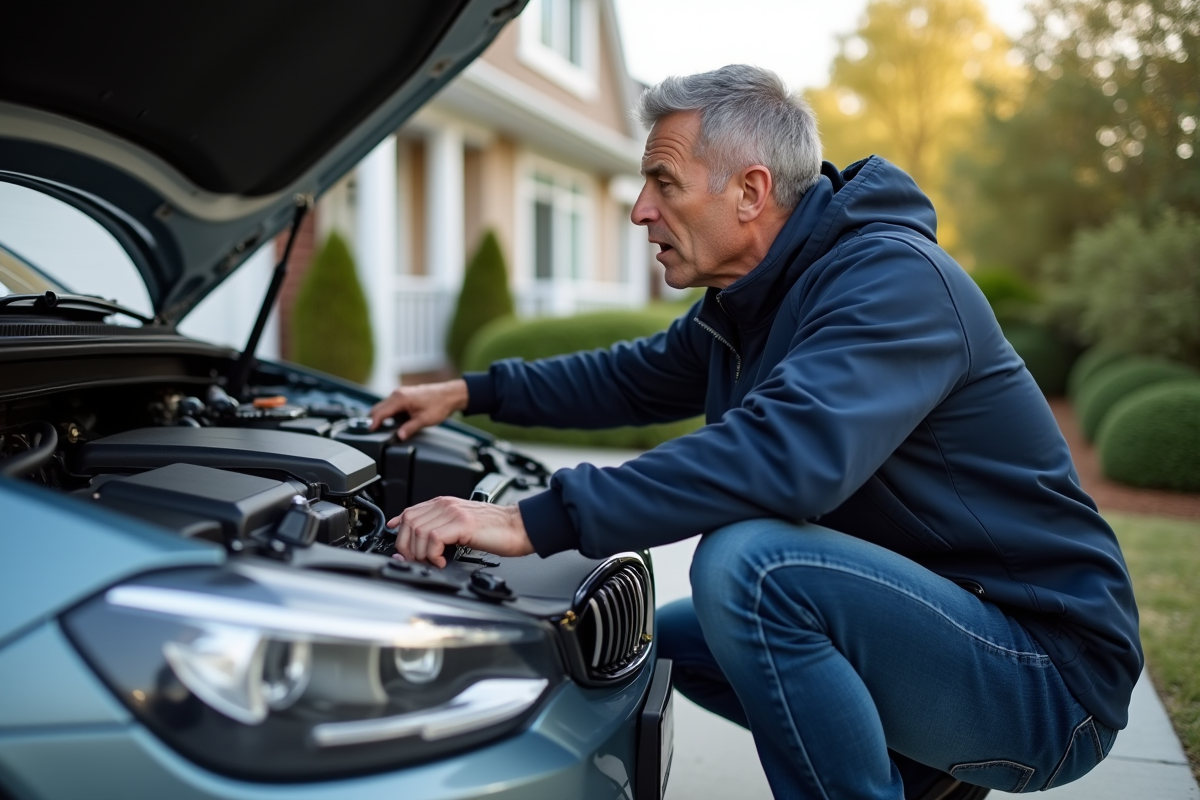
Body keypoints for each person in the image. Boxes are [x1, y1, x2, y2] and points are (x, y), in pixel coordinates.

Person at [369, 65, 1141, 800]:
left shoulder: (895, 285)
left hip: (1047, 675)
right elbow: (629, 377)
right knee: (643, 641)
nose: (640, 209)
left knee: (749, 568)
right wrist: (471, 389)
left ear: (750, 191)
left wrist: (528, 520)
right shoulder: (750, 304)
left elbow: (783, 458)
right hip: (950, 625)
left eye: (662, 182)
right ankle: (918, 779)